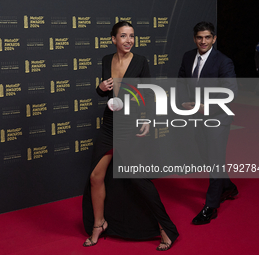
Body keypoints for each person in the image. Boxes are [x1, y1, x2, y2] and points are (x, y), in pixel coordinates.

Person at [82, 21, 178, 251]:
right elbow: (102, 90)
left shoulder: (140, 61)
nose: (128, 40)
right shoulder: (107, 60)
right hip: (110, 122)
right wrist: (100, 88)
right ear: (113, 39)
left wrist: (146, 119)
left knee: (137, 178)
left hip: (131, 123)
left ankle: (164, 227)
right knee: (96, 175)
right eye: (123, 36)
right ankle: (99, 224)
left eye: (132, 36)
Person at [177, 21, 239, 225]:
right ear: (195, 38)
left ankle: (211, 207)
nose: (203, 41)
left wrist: (208, 107)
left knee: (214, 159)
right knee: (206, 155)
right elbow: (182, 80)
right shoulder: (188, 56)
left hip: (218, 118)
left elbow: (230, 92)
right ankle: (228, 187)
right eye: (199, 37)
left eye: (207, 37)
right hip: (197, 117)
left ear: (214, 38)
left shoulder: (223, 61)